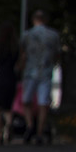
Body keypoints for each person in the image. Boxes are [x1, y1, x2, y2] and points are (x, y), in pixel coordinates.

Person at [16, 8, 61, 144]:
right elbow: (57, 54)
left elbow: (22, 55)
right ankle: (40, 131)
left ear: (33, 20)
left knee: (26, 101)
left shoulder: (27, 35)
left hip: (30, 72)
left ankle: (30, 126)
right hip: (45, 72)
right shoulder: (53, 35)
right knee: (43, 103)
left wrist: (20, 68)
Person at [0, 24, 20, 144]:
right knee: (8, 107)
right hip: (11, 76)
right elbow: (20, 64)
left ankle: (0, 134)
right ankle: (9, 124)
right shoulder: (16, 46)